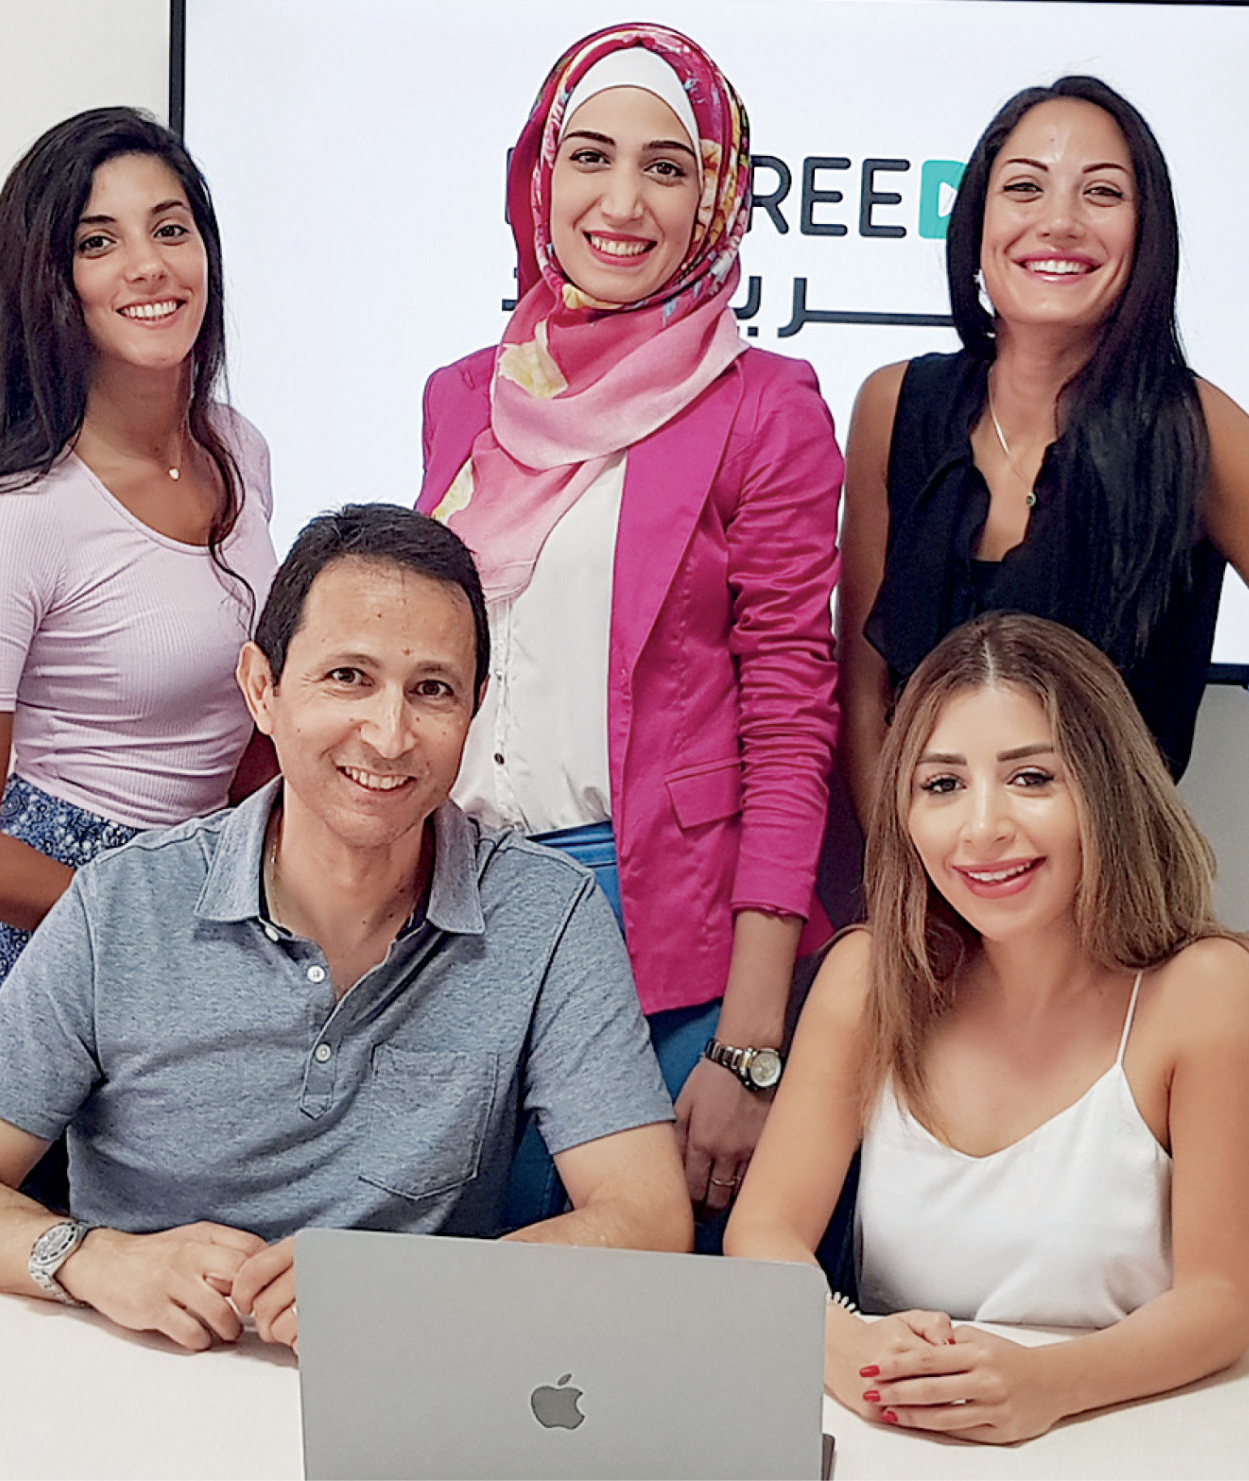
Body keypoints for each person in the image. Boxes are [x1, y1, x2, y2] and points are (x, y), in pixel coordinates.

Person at [0, 505, 692, 1353]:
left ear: (475, 710)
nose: (389, 732)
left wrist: (413, 1286)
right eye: (347, 677)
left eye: (432, 690)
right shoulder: (120, 903)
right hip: (144, 1379)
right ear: (262, 688)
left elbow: (646, 1216)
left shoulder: (548, 914)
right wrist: (92, 1257)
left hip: (403, 1378)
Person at [837, 77, 1249, 990]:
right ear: (977, 220)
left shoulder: (1199, 433)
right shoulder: (894, 405)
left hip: (1115, 950)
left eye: (1100, 192)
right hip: (925, 947)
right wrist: (910, 900)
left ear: (1146, 236)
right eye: (1025, 187)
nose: (1058, 220)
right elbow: (864, 685)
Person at [417, 23, 843, 1234]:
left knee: (648, 1333)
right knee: (477, 1305)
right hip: (459, 905)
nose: (620, 200)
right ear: (540, 176)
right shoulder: (467, 393)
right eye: (590, 157)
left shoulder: (764, 409)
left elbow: (789, 723)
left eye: (666, 166)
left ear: (714, 192)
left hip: (661, 923)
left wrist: (753, 1045)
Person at [727, 612, 1249, 1444]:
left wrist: (1048, 1384)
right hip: (904, 1440)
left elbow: (1224, 1298)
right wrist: (848, 1350)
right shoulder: (867, 977)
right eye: (942, 784)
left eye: (1030, 778)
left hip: (1133, 1430)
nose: (982, 828)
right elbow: (762, 1229)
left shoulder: (1205, 993)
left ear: (1106, 790)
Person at [0, 108, 279, 1130]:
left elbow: (237, 715)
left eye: (169, 227)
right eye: (98, 242)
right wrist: (166, 923)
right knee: (30, 1269)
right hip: (33, 934)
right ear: (50, 283)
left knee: (181, 1266)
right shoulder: (17, 518)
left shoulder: (240, 447)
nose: (147, 265)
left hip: (189, 905)